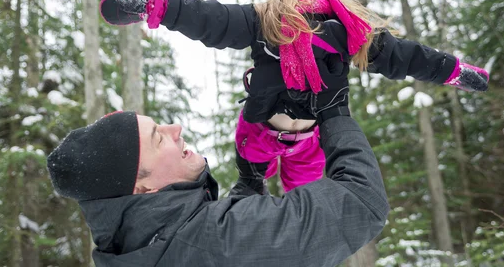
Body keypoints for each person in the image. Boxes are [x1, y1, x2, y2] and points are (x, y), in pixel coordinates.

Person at [100, 0, 489, 196]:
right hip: (261, 127)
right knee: (251, 183)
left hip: (312, 138)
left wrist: (453, 71)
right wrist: (156, 7)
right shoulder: (263, 20)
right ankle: (245, 206)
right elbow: (211, 19)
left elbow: (406, 56)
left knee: (303, 197)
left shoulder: (350, 31)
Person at [47, 56, 391, 266]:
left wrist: (249, 185)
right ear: (141, 185)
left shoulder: (125, 250)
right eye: (157, 137)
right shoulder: (215, 243)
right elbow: (362, 201)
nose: (176, 128)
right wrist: (335, 113)